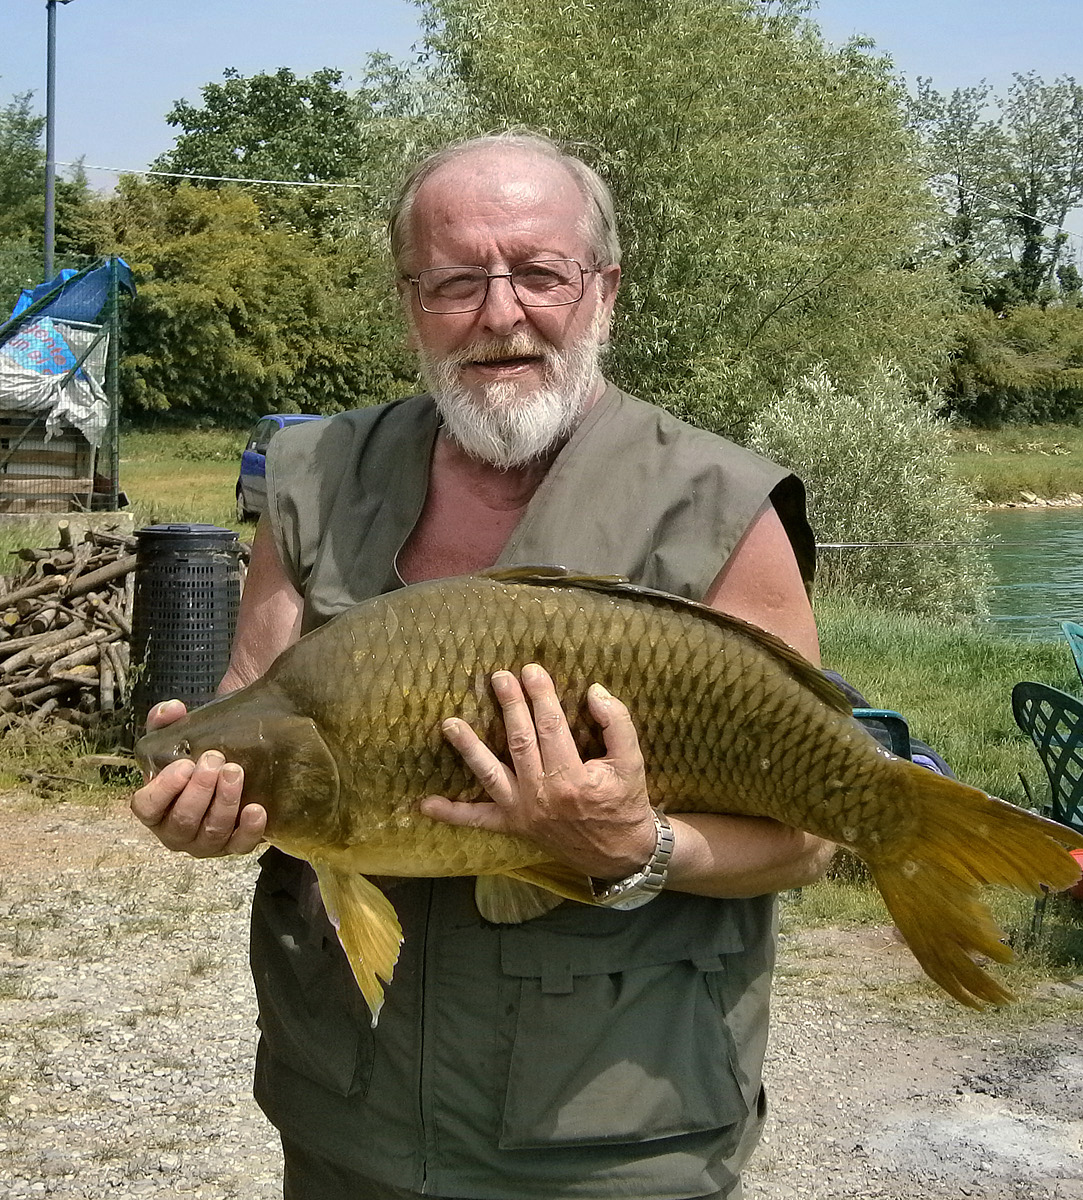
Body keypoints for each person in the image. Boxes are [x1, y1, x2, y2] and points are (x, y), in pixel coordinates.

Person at [130, 132, 835, 1200]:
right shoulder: (310, 476)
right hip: (344, 1098)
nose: (501, 315)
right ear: (411, 300)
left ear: (604, 290)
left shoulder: (719, 503)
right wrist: (205, 800)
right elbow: (252, 703)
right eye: (457, 281)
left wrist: (636, 846)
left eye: (541, 273)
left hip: (611, 1128)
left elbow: (811, 841)